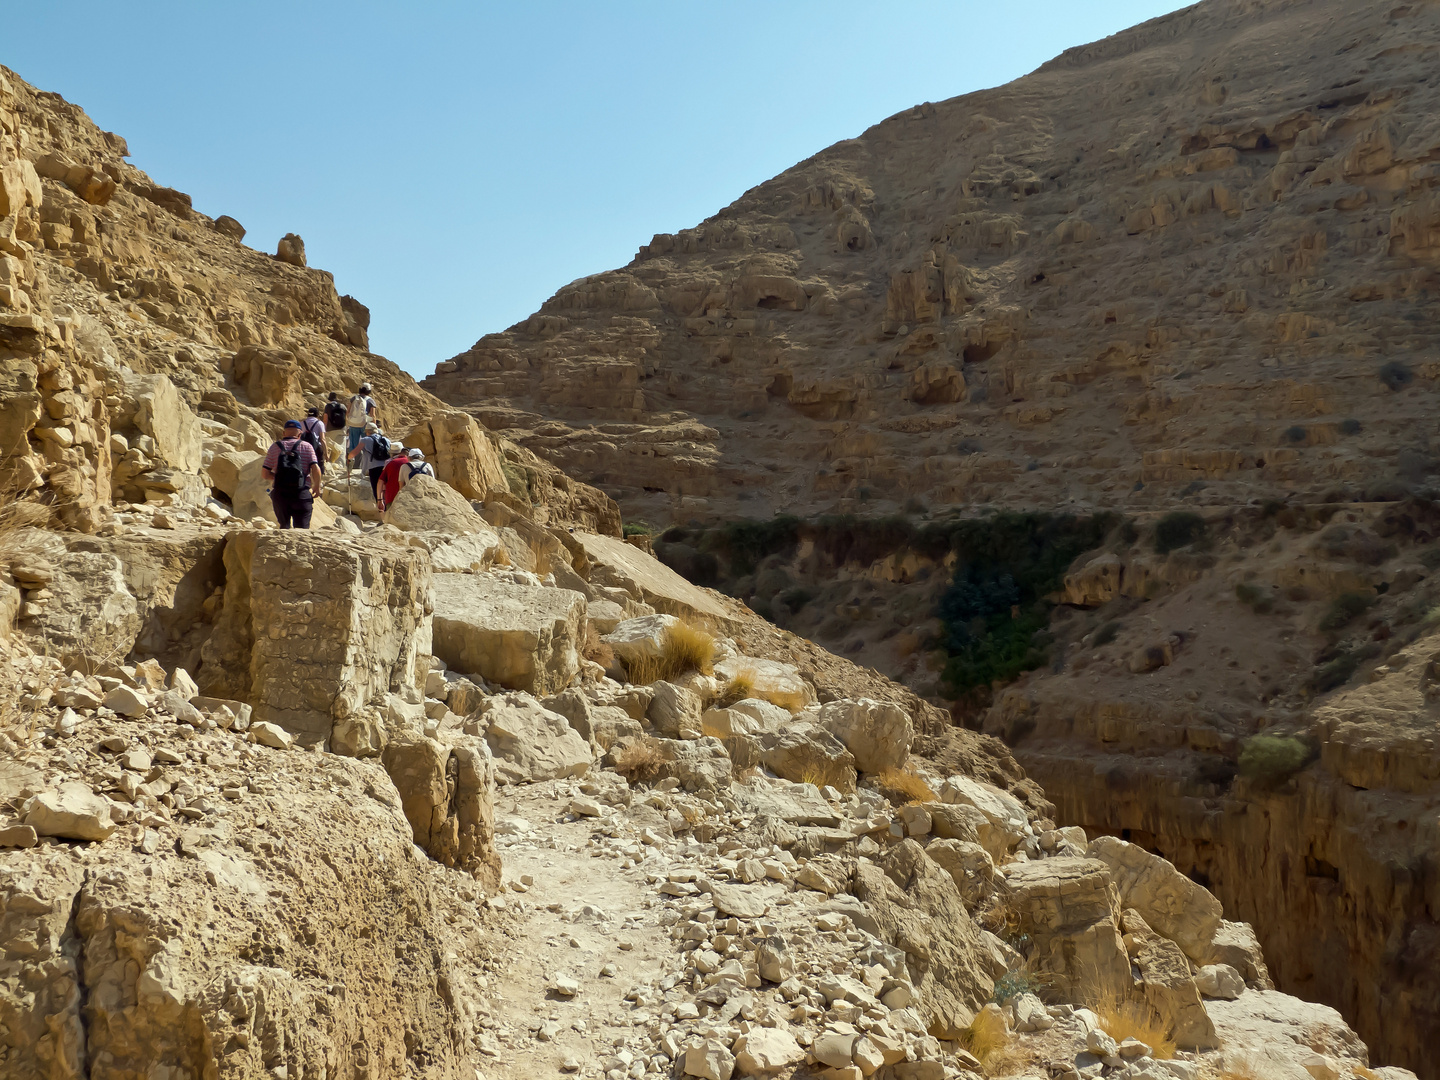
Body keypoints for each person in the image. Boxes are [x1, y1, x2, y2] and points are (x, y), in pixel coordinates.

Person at [261, 420, 322, 529]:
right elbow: (315, 468)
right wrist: (317, 486)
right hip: (301, 493)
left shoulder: (274, 447)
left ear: (284, 433)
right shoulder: (307, 446)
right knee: (302, 530)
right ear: (300, 434)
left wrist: (281, 477)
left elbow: (265, 474)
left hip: (280, 495)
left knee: (284, 527)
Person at [347, 421, 392, 502]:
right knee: (386, 490)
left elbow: (354, 453)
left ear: (367, 431)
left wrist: (348, 457)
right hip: (387, 468)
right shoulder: (386, 440)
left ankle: (381, 509)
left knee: (377, 493)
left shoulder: (365, 440)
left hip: (374, 468)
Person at [345, 384, 376, 473]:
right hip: (365, 425)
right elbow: (373, 415)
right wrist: (374, 427)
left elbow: (348, 412)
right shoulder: (371, 401)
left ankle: (351, 466)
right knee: (367, 445)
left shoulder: (353, 398)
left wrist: (349, 423)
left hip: (353, 424)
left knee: (353, 446)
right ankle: (366, 466)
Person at [300, 406, 328, 473]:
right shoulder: (319, 423)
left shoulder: (301, 423)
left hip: (304, 447)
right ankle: (318, 481)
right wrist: (326, 453)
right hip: (316, 447)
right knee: (319, 465)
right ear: (317, 415)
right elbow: (322, 439)